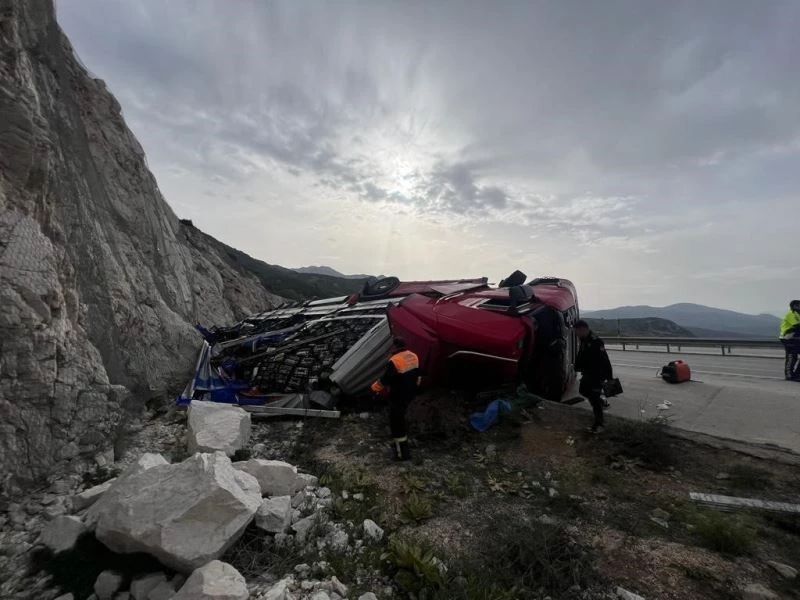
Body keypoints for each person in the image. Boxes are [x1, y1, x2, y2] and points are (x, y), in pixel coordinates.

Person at [371, 337, 421, 460]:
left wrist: (373, 389)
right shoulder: (413, 356)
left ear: (394, 347)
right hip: (410, 394)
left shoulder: (395, 361)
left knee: (396, 423)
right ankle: (399, 445)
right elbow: (418, 376)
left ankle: (402, 454)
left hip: (398, 396)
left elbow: (385, 379)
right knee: (401, 419)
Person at [574, 319, 613, 433]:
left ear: (583, 329)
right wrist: (577, 366)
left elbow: (605, 360)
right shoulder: (584, 339)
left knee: (594, 399)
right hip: (588, 374)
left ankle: (599, 424)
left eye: (577, 331)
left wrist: (609, 378)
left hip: (597, 375)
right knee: (583, 390)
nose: (576, 334)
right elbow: (582, 355)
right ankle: (601, 402)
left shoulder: (596, 341)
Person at [780, 300, 800, 381]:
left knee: (793, 356)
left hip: (796, 338)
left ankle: (797, 375)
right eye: (798, 305)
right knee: (791, 356)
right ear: (794, 306)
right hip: (788, 338)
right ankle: (789, 375)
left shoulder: (798, 314)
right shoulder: (791, 314)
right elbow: (797, 326)